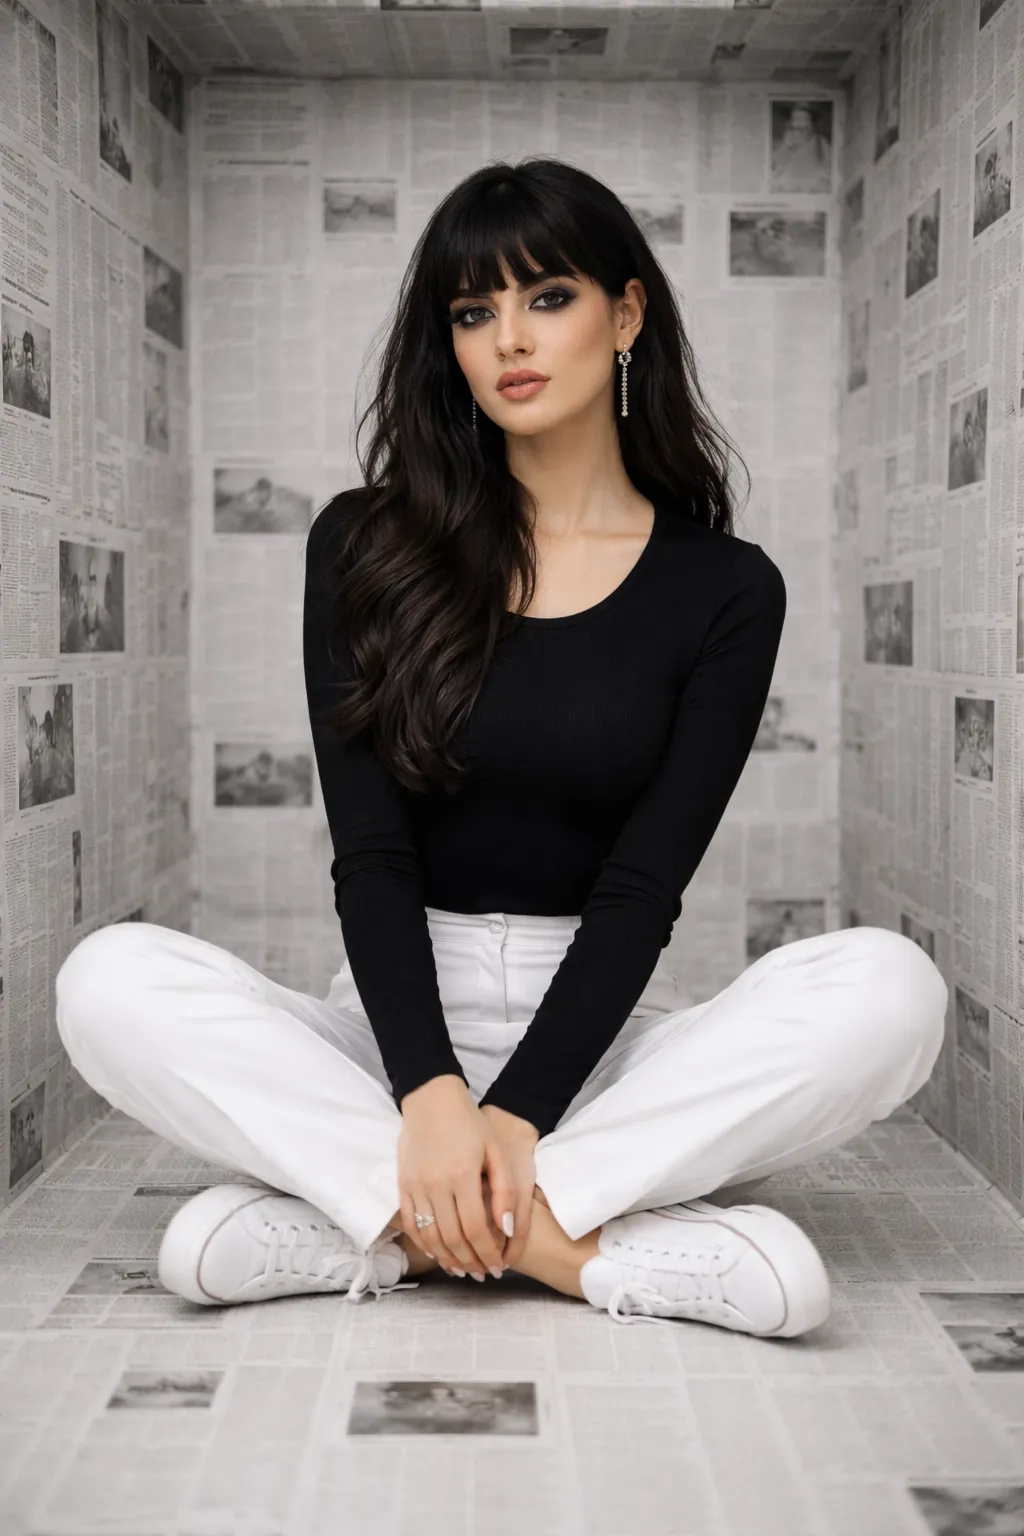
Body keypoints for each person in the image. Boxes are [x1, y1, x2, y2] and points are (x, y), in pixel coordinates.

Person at [54, 157, 949, 1338]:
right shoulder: (364, 543)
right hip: (386, 1035)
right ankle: (565, 1240)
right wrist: (428, 1095)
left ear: (625, 314)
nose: (508, 341)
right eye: (474, 313)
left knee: (893, 989)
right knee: (106, 982)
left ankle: (396, 1229)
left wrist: (519, 1114)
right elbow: (370, 858)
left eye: (548, 298)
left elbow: (642, 891)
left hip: (598, 1044)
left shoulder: (726, 588)